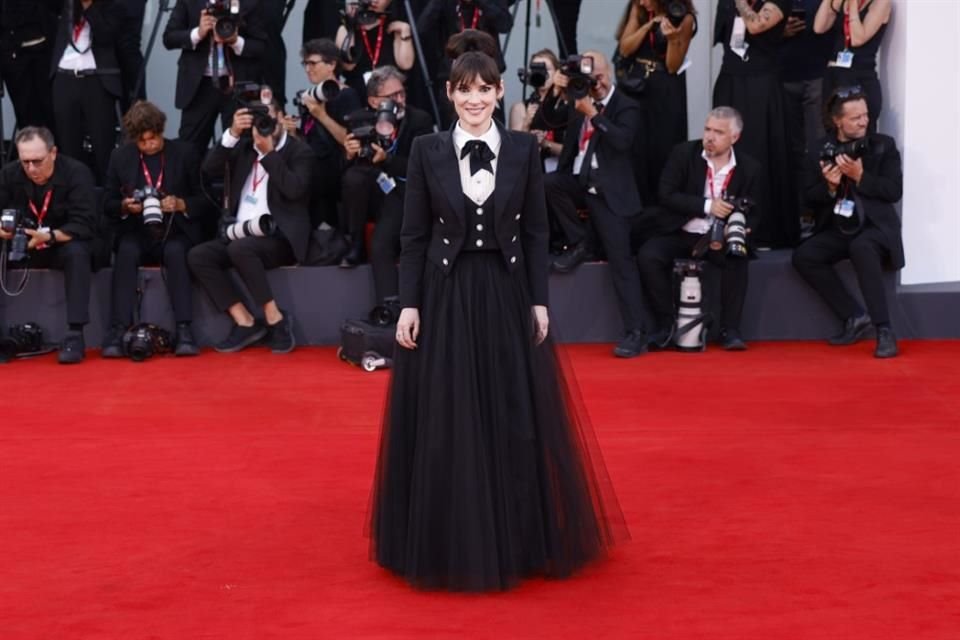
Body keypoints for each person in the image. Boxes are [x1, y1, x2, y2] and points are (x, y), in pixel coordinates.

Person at [369, 50, 626, 592]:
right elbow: (412, 236)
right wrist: (407, 303)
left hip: (507, 294)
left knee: (511, 407)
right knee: (450, 409)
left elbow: (536, 233)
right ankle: (447, 536)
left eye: (485, 89)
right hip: (445, 294)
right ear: (449, 93)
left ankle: (520, 535)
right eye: (465, 89)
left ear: (500, 92)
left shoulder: (523, 149)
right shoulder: (426, 150)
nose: (475, 99)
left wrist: (539, 301)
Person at [543, 50, 649, 358]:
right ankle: (581, 242)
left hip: (609, 191)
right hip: (577, 181)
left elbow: (622, 141)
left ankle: (635, 331)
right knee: (548, 184)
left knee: (621, 262)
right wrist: (555, 89)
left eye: (600, 77)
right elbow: (547, 119)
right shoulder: (578, 99)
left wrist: (594, 114)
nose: (596, 84)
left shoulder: (625, 105)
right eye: (591, 78)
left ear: (610, 74)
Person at [187, 96, 313, 353]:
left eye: (269, 118)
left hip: (279, 237)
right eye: (259, 120)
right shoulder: (243, 147)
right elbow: (209, 169)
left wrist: (268, 154)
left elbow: (294, 190)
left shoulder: (300, 152)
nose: (265, 125)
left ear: (280, 118)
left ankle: (275, 318)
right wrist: (233, 133)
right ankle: (245, 322)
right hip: (239, 232)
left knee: (240, 249)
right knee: (199, 255)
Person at [636, 107, 763, 351]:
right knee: (649, 256)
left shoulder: (749, 167)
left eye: (718, 132)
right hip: (681, 231)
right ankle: (666, 324)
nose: (710, 137)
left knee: (738, 258)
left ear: (734, 137)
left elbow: (756, 211)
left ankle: (730, 329)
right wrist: (707, 206)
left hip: (719, 235)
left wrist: (742, 230)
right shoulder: (683, 153)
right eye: (707, 129)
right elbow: (666, 194)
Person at [792, 86, 902, 358]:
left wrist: (860, 176)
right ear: (837, 120)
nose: (864, 121)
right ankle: (854, 316)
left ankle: (884, 330)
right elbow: (807, 198)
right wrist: (830, 188)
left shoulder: (882, 145)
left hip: (875, 227)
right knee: (805, 256)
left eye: (865, 115)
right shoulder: (818, 149)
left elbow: (893, 191)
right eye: (856, 118)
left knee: (862, 247)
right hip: (839, 226)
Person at [101, 101, 209, 357]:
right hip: (137, 230)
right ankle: (118, 329)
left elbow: (206, 201)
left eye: (154, 138)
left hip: (175, 229)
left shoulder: (185, 153)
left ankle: (184, 328)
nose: (150, 144)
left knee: (176, 252)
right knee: (125, 251)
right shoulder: (120, 157)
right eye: (143, 141)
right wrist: (126, 207)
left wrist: (181, 203)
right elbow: (106, 203)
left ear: (162, 130)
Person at [337, 67, 434, 309]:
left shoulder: (419, 119)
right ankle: (355, 242)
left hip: (402, 192)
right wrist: (348, 155)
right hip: (369, 191)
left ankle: (390, 311)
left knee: (381, 244)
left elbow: (421, 169)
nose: (399, 101)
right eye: (392, 97)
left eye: (402, 94)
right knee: (353, 177)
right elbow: (340, 174)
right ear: (373, 101)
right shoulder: (359, 119)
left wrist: (387, 160)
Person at [0, 127, 97, 364]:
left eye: (37, 161)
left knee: (78, 253)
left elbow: (85, 224)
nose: (32, 169)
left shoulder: (76, 173)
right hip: (21, 244)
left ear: (53, 153)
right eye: (25, 162)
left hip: (60, 243)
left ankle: (75, 334)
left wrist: (50, 236)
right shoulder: (9, 174)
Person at [712, 0, 796, 248]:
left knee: (759, 150)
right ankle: (721, 220)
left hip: (761, 83)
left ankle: (762, 228)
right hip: (730, 78)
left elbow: (757, 25)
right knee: (725, 147)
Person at [615, 0, 696, 205]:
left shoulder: (684, 17)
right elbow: (625, 48)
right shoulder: (640, 9)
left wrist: (672, 39)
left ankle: (661, 206)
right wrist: (648, 26)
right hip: (638, 83)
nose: (642, 2)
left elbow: (672, 65)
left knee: (662, 147)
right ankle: (635, 205)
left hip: (665, 87)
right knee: (636, 145)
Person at [162, 0, 267, 154]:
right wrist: (198, 32)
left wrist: (235, 41)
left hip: (236, 87)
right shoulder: (189, 2)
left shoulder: (249, 3)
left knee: (239, 149)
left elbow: (262, 46)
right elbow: (169, 38)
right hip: (198, 87)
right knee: (189, 149)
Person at [283, 38, 363, 229]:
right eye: (305, 64)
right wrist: (293, 133)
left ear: (332, 65)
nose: (308, 69)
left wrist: (321, 114)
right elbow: (309, 138)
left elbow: (350, 140)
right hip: (312, 161)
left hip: (335, 164)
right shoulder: (310, 96)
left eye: (313, 63)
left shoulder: (347, 95)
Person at [50, 0, 124, 185]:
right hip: (64, 76)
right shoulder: (67, 6)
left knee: (103, 142)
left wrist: (89, 7)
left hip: (96, 79)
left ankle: (107, 196)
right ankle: (73, 193)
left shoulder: (113, 5)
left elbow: (106, 35)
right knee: (68, 142)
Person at [779, 0, 834, 234]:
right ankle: (793, 214)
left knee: (817, 148)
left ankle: (817, 215)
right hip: (781, 74)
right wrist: (779, 31)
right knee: (788, 148)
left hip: (819, 74)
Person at [813, 0, 890, 134]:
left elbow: (857, 39)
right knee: (832, 129)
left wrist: (853, 5)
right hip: (835, 74)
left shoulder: (881, 3)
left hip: (859, 76)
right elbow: (819, 27)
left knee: (859, 132)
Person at [0, 0, 60, 133]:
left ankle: (56, 152)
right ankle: (30, 152)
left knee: (54, 114)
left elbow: (58, 7)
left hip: (47, 52)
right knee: (26, 117)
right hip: (14, 55)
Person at [335, 0, 414, 100]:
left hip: (390, 91)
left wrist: (405, 31)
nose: (375, 1)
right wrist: (351, 26)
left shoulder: (394, 25)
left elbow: (406, 64)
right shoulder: (347, 27)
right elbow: (348, 65)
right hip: (358, 91)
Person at [508, 48, 568, 174]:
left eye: (547, 69)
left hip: (561, 175)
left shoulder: (567, 106)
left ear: (557, 72)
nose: (543, 73)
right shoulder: (520, 107)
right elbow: (513, 152)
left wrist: (545, 143)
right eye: (537, 69)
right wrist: (526, 124)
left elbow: (574, 152)